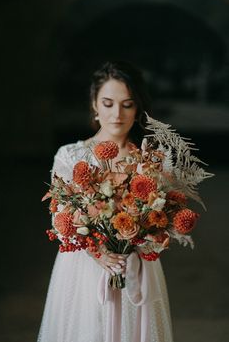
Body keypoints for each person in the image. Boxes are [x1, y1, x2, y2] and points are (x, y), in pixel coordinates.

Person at [37, 61, 174, 342]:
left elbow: (162, 218)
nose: (117, 114)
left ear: (138, 109)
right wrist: (98, 251)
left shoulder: (152, 161)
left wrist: (139, 238)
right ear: (94, 105)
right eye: (108, 103)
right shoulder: (71, 156)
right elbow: (60, 217)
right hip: (84, 270)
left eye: (127, 104)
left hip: (135, 267)